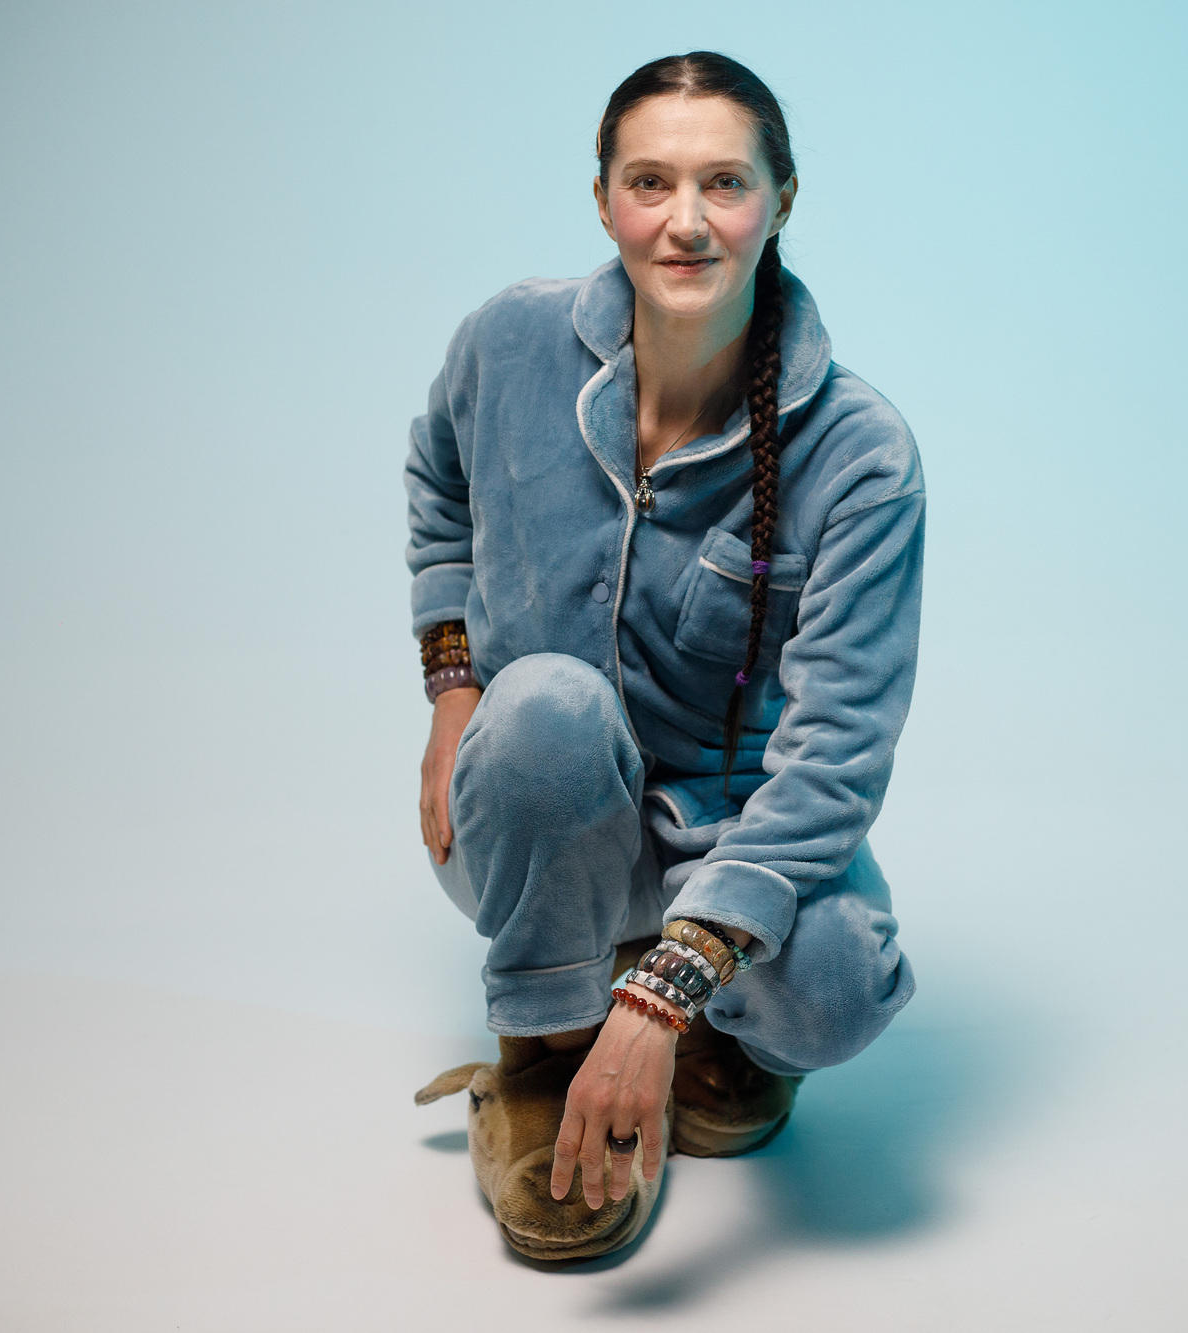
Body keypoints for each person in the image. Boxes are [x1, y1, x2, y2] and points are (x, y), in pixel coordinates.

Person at [407, 50, 925, 1260]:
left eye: (723, 183)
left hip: (725, 829)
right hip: (530, 802)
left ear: (780, 200)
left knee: (838, 982)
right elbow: (439, 481)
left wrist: (660, 997)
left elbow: (836, 756)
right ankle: (542, 1050)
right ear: (603, 200)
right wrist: (452, 688)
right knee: (544, 706)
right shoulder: (507, 342)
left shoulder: (861, 456)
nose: (684, 221)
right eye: (650, 181)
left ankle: (679, 1008)